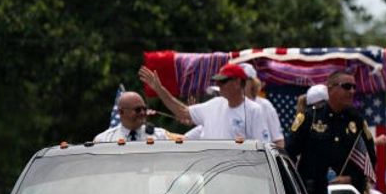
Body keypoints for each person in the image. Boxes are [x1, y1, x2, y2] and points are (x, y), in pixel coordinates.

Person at [285, 69, 376, 194]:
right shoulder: (311, 117)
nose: (351, 91)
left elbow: (370, 158)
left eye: (354, 87)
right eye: (346, 86)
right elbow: (288, 154)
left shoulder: (356, 121)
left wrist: (351, 179)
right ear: (330, 89)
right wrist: (295, 189)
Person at [139, 63, 271, 142]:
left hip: (239, 177)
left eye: (223, 81)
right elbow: (182, 112)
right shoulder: (214, 104)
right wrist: (159, 89)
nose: (219, 85)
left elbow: (262, 147)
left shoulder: (254, 110)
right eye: (217, 81)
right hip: (211, 176)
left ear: (237, 82)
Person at [94, 90, 170, 142]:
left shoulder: (161, 136)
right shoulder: (104, 140)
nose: (143, 113)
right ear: (121, 112)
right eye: (138, 110)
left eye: (144, 109)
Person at [240, 63, 284, 147]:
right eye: (235, 80)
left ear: (252, 82)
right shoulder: (229, 105)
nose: (239, 83)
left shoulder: (265, 105)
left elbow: (278, 139)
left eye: (243, 79)